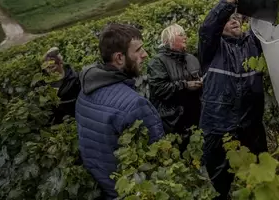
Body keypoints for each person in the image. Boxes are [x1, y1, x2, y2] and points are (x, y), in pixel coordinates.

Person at [75, 23, 164, 200]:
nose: (145, 54)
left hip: (108, 190)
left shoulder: (84, 92)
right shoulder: (134, 104)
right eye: (138, 50)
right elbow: (161, 158)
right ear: (119, 58)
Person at [198, 0, 267, 200]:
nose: (234, 20)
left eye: (237, 16)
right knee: (220, 183)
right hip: (218, 127)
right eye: (229, 18)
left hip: (251, 124)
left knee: (260, 175)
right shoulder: (212, 48)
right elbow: (208, 27)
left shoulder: (253, 42)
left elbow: (268, 26)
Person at [147, 24, 202, 144]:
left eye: (185, 34)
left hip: (195, 118)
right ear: (168, 40)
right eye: (181, 34)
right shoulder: (157, 62)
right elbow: (160, 89)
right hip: (172, 123)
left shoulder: (191, 58)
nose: (185, 37)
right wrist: (186, 85)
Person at [43, 47, 81, 124]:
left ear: (60, 63)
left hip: (74, 119)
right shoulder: (45, 83)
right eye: (47, 68)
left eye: (53, 67)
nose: (50, 71)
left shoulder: (75, 78)